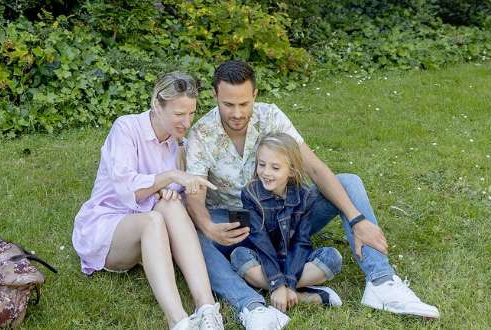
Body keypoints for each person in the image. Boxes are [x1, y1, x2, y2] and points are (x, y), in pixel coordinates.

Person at [185, 61, 440, 327]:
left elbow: (316, 169)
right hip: (239, 222)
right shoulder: (202, 133)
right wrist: (208, 227)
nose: (237, 113)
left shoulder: (271, 116)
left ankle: (381, 282)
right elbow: (195, 198)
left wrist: (357, 219)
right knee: (194, 234)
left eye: (244, 104)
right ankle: (253, 307)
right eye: (228, 105)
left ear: (255, 95)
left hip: (287, 216)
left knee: (349, 182)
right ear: (214, 96)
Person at [74, 71, 225, 330]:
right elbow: (126, 190)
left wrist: (166, 192)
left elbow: (171, 192)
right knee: (152, 220)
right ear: (157, 103)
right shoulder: (126, 128)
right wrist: (169, 177)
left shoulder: (179, 143)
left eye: (191, 113)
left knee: (171, 205)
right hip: (109, 225)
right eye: (179, 114)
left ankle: (207, 307)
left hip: (151, 226)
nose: (186, 122)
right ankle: (178, 320)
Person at [225, 132, 345, 314]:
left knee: (332, 258)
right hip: (262, 259)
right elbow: (260, 241)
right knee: (238, 256)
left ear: (291, 170)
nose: (266, 172)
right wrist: (277, 281)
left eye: (275, 167)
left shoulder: (305, 196)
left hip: (294, 261)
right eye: (261, 164)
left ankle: (282, 290)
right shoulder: (249, 194)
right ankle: (300, 295)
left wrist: (287, 281)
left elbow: (301, 242)